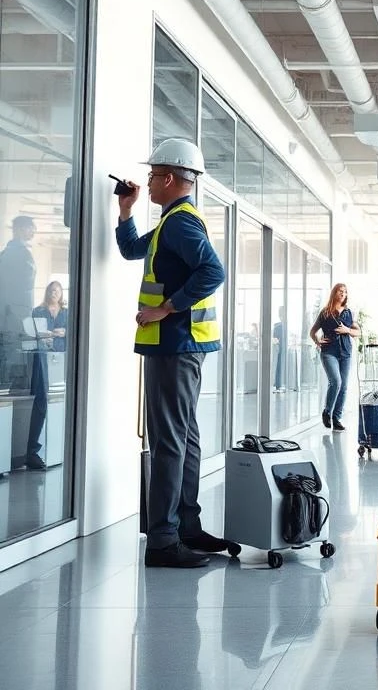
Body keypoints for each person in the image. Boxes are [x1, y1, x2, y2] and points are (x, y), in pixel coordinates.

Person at [117, 138, 227, 569]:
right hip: (182, 347)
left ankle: (164, 539)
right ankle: (186, 526)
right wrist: (126, 211)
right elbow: (130, 250)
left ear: (168, 178)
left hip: (174, 346)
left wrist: (164, 309)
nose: (147, 183)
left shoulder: (179, 223)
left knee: (168, 440)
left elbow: (212, 271)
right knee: (185, 438)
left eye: (151, 177)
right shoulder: (171, 223)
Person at [24, 280, 68, 469]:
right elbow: (31, 333)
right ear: (47, 292)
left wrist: (64, 332)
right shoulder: (38, 311)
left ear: (61, 294)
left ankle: (57, 450)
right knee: (41, 402)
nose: (54, 293)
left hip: (61, 360)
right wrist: (44, 335)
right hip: (42, 359)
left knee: (60, 404)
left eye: (57, 290)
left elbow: (74, 331)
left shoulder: (67, 313)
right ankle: (34, 452)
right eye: (51, 290)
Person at [310, 283, 359, 431]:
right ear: (334, 293)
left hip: (345, 353)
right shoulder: (325, 312)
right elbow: (313, 331)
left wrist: (347, 329)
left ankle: (337, 419)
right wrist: (317, 341)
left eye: (345, 292)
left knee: (343, 387)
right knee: (336, 381)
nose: (343, 294)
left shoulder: (349, 312)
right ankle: (327, 411)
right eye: (340, 291)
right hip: (329, 352)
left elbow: (358, 332)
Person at [0, 215, 37, 392]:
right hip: (13, 318)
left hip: (17, 317)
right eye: (30, 227)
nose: (34, 231)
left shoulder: (15, 252)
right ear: (21, 229)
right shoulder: (14, 254)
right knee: (12, 362)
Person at [272, 306, 286, 393]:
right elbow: (275, 339)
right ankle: (278, 385)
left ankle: (279, 385)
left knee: (280, 367)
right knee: (279, 367)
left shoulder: (282, 326)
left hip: (282, 349)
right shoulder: (278, 326)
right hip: (280, 349)